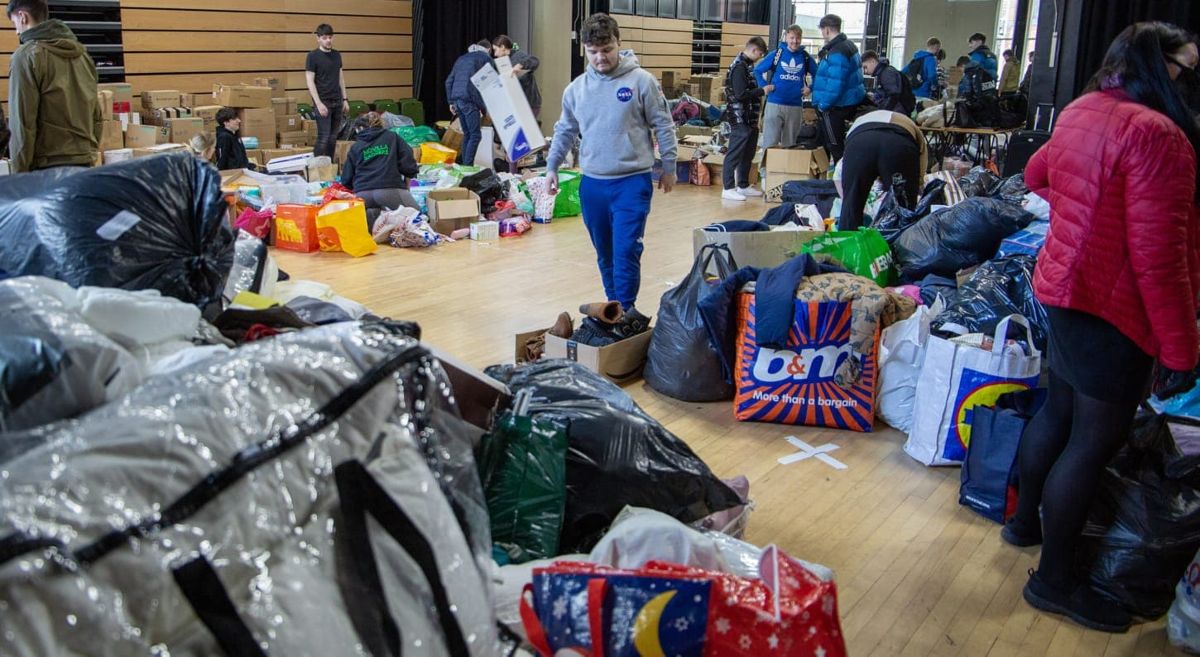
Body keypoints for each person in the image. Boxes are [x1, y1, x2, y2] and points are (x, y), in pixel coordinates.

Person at [1003, 21, 1200, 634]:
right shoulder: (1159, 135)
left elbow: (1036, 175)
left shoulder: (1086, 108)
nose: (1186, 81)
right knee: (1091, 443)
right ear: (1156, 65)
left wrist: (1084, 209)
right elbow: (1159, 258)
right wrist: (1182, 348)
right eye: (1182, 69)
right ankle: (1055, 583)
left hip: (1063, 290)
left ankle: (1023, 524)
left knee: (1057, 413)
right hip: (1113, 306)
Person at [545, 13, 677, 336]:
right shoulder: (575, 90)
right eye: (593, 51)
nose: (601, 57)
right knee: (605, 253)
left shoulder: (641, 82)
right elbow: (564, 130)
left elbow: (663, 123)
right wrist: (551, 167)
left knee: (626, 250)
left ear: (618, 44)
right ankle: (613, 310)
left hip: (632, 183)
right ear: (586, 51)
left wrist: (669, 165)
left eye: (606, 49)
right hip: (593, 185)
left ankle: (627, 313)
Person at [6, 0, 100, 173]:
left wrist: (20, 176)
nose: (17, 31)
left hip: (47, 167)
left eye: (14, 24)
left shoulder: (26, 56)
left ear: (22, 16)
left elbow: (22, 122)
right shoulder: (82, 54)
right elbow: (97, 113)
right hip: (85, 161)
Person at [835, 109, 926, 230]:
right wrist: (914, 189)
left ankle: (848, 245)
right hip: (898, 143)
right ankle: (899, 243)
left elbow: (840, 175)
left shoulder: (857, 126)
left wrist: (849, 197)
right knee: (903, 206)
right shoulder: (913, 128)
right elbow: (919, 172)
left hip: (860, 142)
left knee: (851, 205)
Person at [722, 37, 773, 201]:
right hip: (739, 118)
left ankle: (742, 184)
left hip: (749, 118)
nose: (760, 57)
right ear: (754, 50)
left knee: (748, 152)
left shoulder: (747, 66)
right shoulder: (738, 67)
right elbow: (740, 94)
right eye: (760, 54)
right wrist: (762, 91)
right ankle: (728, 187)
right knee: (734, 153)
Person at [812, 14, 867, 163]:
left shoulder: (837, 52)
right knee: (830, 144)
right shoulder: (848, 45)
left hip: (835, 107)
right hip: (847, 102)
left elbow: (835, 83)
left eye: (822, 30)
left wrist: (823, 106)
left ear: (827, 30)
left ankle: (839, 182)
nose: (822, 34)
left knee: (835, 146)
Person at [341, 112, 420, 212]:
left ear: (359, 128)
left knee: (371, 223)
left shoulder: (356, 146)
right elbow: (407, 162)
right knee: (416, 216)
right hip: (389, 189)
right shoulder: (392, 137)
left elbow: (346, 179)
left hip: (362, 194)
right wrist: (409, 177)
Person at [753, 24, 815, 149]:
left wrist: (810, 88)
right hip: (774, 104)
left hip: (795, 106)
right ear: (786, 37)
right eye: (792, 37)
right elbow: (757, 70)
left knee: (790, 145)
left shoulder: (805, 57)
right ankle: (766, 169)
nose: (795, 41)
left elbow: (819, 75)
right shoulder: (777, 54)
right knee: (770, 143)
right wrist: (764, 87)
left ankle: (785, 168)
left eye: (797, 38)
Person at [446, 40, 493, 165]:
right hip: (470, 100)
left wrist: (451, 101)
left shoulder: (461, 59)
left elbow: (448, 81)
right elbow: (489, 84)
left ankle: (464, 166)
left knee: (467, 134)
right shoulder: (485, 59)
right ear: (488, 50)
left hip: (457, 101)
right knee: (475, 135)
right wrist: (484, 108)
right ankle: (468, 166)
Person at [306, 24, 348, 160]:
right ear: (318, 38)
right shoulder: (312, 56)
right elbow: (310, 81)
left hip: (337, 100)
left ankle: (329, 167)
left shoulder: (337, 55)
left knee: (333, 138)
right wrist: (318, 103)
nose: (328, 40)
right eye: (324, 38)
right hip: (323, 102)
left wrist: (345, 99)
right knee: (323, 138)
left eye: (330, 37)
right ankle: (314, 169)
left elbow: (340, 78)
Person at [493, 35, 541, 117]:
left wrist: (520, 65)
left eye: (495, 50)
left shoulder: (519, 55)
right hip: (516, 105)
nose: (495, 54)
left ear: (502, 47)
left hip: (529, 104)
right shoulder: (501, 62)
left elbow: (535, 61)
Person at [862, 50, 915, 115]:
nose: (865, 71)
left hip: (898, 111)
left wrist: (882, 113)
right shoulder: (882, 72)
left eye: (865, 67)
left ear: (872, 61)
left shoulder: (886, 73)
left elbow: (893, 96)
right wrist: (875, 97)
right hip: (896, 108)